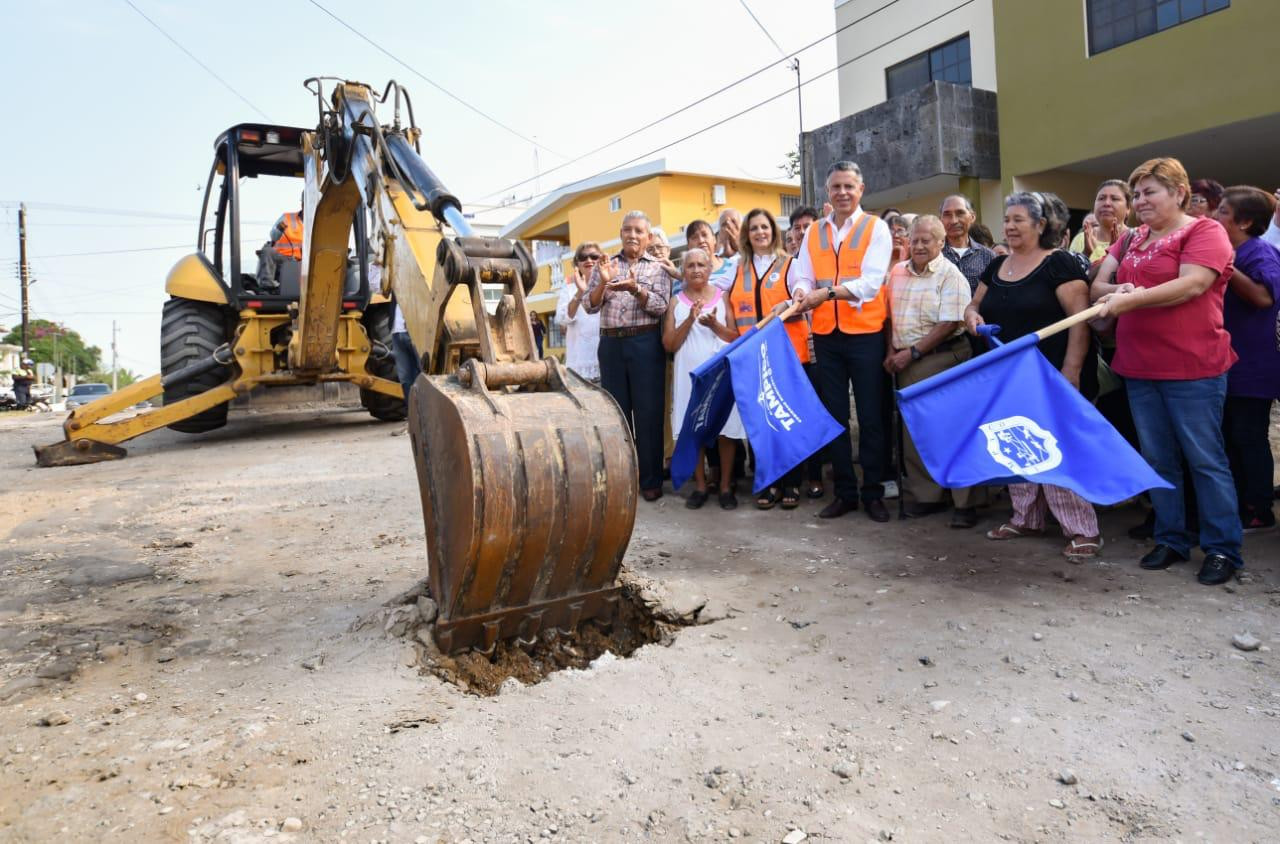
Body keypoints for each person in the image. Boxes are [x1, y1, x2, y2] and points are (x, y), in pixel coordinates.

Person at [1093, 157, 1242, 585]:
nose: (1140, 201)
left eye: (1149, 192)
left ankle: (1222, 548)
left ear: (1178, 193)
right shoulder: (1131, 237)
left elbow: (1193, 284)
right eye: (1136, 194)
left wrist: (1130, 299)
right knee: (1158, 459)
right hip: (1139, 366)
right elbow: (1098, 285)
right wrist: (1117, 289)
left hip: (1192, 366)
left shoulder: (1204, 231)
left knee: (1205, 459)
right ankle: (1171, 538)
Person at [965, 191, 1102, 559]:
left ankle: (1082, 528)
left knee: (1057, 448)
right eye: (1006, 219)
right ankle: (1026, 517)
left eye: (1018, 220)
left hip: (1052, 374)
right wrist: (972, 316)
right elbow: (974, 305)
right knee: (1016, 443)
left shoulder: (1059, 264)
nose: (1009, 226)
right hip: (1007, 376)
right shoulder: (997, 265)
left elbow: (1080, 322)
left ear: (1041, 224)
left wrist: (1071, 370)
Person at [790, 161, 894, 523]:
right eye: (836, 187)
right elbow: (802, 276)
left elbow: (871, 283)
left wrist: (826, 293)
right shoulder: (814, 231)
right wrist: (802, 291)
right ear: (828, 192)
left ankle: (873, 493)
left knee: (870, 417)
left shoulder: (875, 228)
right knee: (834, 417)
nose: (842, 192)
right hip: (826, 335)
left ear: (861, 190)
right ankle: (846, 494)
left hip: (865, 335)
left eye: (849, 186)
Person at [884, 216, 979, 528]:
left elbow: (949, 323)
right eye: (915, 240)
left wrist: (912, 353)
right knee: (915, 434)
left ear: (941, 243)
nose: (920, 245)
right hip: (906, 361)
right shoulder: (897, 272)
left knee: (953, 431)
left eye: (927, 240)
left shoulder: (951, 275)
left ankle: (965, 502)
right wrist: (891, 351)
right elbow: (889, 317)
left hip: (942, 357)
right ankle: (928, 496)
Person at [725, 208, 813, 509]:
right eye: (754, 228)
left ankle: (791, 482)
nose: (760, 232)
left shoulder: (791, 264)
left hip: (788, 354)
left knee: (787, 419)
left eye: (764, 227)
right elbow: (712, 287)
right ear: (746, 235)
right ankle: (768, 480)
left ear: (774, 231)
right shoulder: (736, 268)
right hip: (751, 356)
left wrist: (790, 301)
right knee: (760, 421)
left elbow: (803, 292)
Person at [585, 210, 672, 501]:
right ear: (621, 232)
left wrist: (636, 289)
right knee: (616, 414)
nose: (632, 235)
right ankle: (622, 479)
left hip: (645, 343)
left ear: (648, 237)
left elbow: (660, 306)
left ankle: (650, 480)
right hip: (611, 345)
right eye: (627, 230)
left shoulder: (658, 268)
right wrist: (603, 282)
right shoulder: (605, 264)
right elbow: (589, 305)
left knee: (649, 413)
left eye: (638, 231)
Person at [1213, 186, 1280, 532]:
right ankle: (1238, 503)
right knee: (1229, 435)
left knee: (1248, 436)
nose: (1214, 216)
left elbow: (1264, 298)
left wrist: (1226, 266)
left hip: (1253, 367)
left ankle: (1259, 508)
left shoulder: (1260, 253)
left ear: (1245, 222)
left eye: (1223, 211)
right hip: (1226, 364)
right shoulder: (1230, 250)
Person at [664, 248, 744, 510]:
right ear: (683, 271)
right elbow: (669, 344)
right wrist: (690, 319)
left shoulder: (723, 296)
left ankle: (725, 487)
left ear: (710, 269)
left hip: (720, 374)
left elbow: (735, 337)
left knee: (726, 430)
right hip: (689, 375)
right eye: (690, 266)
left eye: (701, 265)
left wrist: (714, 326)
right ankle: (700, 486)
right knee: (693, 428)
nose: (696, 270)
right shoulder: (676, 302)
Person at [555, 243, 603, 382]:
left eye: (594, 256)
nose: (589, 260)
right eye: (583, 257)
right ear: (577, 263)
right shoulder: (569, 288)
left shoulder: (608, 284)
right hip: (579, 364)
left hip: (606, 361)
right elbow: (563, 319)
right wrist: (580, 292)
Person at [939, 195, 996, 294]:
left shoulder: (988, 256)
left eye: (960, 213)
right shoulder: (933, 255)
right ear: (940, 220)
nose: (954, 221)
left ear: (972, 217)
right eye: (947, 215)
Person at [1069, 179, 1133, 265]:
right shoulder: (1081, 239)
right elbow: (1071, 272)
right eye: (1101, 198)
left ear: (1128, 208)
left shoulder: (1136, 239)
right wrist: (1086, 254)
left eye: (1114, 199)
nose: (1106, 203)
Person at [255, 207, 304, 292]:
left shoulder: (318, 222)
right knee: (267, 251)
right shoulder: (287, 217)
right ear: (303, 204)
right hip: (282, 257)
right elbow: (273, 236)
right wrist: (279, 229)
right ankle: (267, 286)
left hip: (302, 261)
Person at [686, 218, 738, 291]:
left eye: (704, 235)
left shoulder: (733, 266)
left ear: (714, 239)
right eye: (694, 237)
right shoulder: (683, 274)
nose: (701, 240)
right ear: (688, 246)